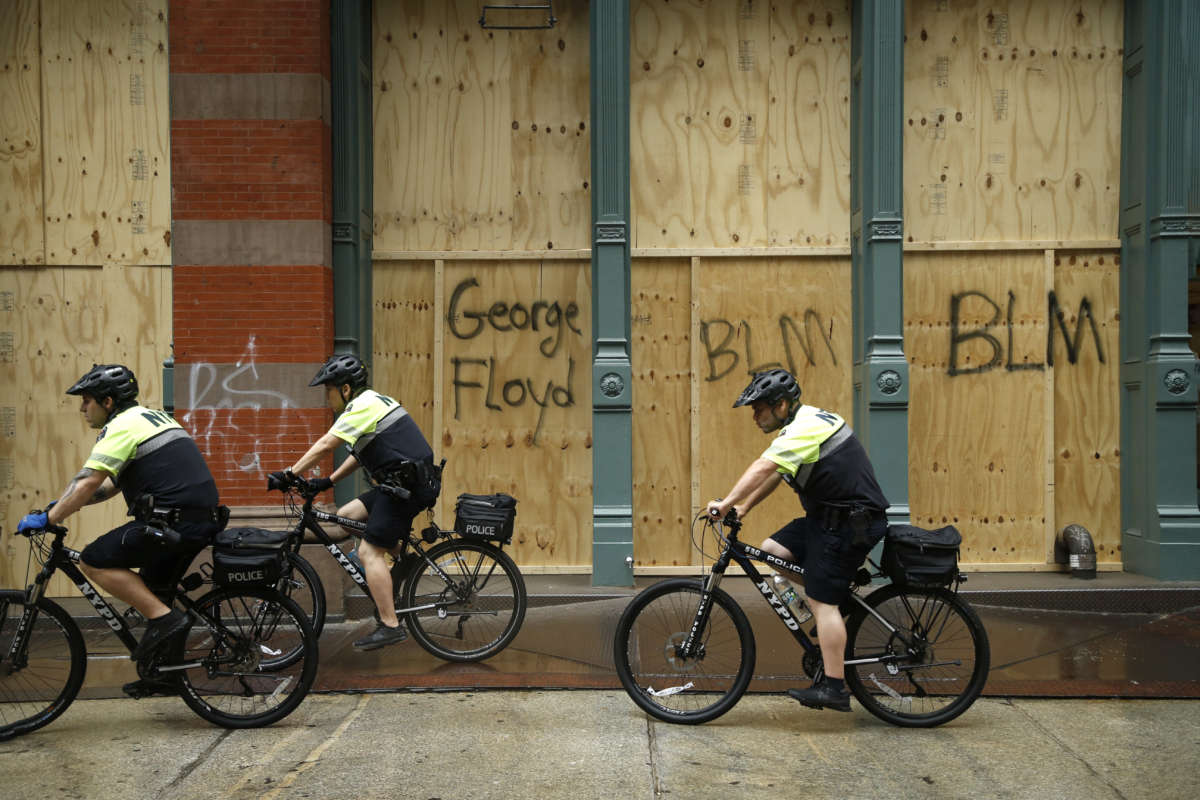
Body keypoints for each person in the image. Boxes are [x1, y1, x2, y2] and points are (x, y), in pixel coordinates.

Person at [16, 364, 224, 694]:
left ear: (108, 401)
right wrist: (64, 505)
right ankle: (165, 675)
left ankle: (165, 620)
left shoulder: (122, 427)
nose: (83, 408)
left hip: (174, 521)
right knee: (156, 590)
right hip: (197, 518)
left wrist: (49, 519)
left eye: (87, 400)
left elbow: (88, 481)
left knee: (93, 559)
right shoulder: (150, 418)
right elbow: (108, 486)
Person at [706, 368, 889, 712]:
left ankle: (834, 688)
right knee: (774, 552)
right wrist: (743, 508)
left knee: (822, 601)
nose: (755, 416)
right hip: (829, 518)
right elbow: (777, 472)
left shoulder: (805, 427)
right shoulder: (800, 426)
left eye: (759, 408)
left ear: (782, 404)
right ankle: (833, 607)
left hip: (850, 523)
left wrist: (725, 503)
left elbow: (764, 466)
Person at [273, 353, 440, 651]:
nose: (328, 398)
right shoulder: (371, 403)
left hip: (406, 487)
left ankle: (390, 625)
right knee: (347, 515)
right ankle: (402, 555)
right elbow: (359, 452)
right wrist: (329, 481)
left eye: (329, 390)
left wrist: (289, 473)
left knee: (368, 552)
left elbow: (326, 444)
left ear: (346, 388)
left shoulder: (362, 406)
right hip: (402, 483)